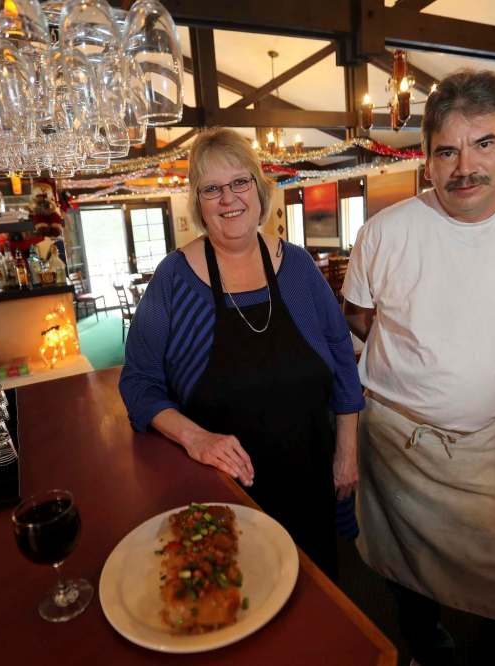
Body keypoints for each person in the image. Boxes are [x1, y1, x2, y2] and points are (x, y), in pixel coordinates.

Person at [342, 69, 495, 665]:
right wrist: (427, 367)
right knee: (406, 573)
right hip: (395, 443)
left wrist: (485, 362)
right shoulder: (384, 232)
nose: (464, 167)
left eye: (483, 144)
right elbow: (359, 317)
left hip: (485, 445)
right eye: (446, 151)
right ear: (427, 161)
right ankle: (429, 650)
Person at [119, 127, 363, 578]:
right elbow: (138, 382)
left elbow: (342, 356)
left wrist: (347, 450)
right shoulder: (173, 280)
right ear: (198, 202)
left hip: (309, 478)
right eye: (211, 188)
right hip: (224, 491)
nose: (228, 198)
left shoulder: (298, 267)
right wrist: (195, 437)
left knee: (315, 594)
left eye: (239, 182)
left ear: (258, 188)